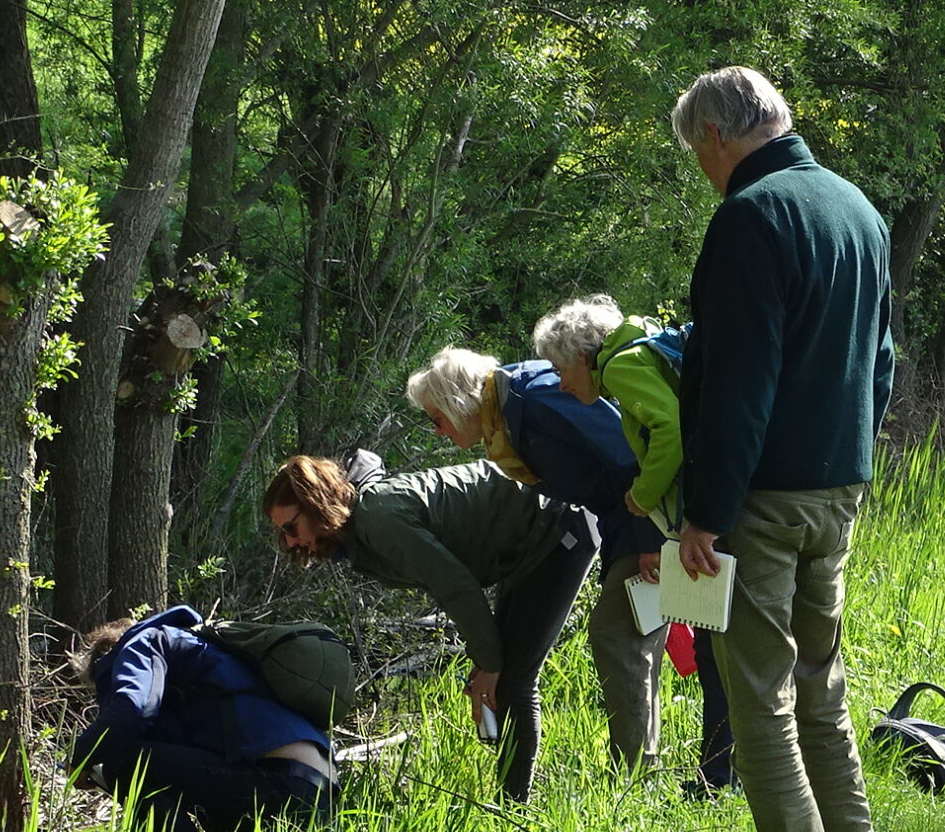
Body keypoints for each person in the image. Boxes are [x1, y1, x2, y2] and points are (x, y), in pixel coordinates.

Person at [669, 66, 895, 832]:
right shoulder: (859, 211)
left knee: (758, 694)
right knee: (821, 688)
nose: (701, 169)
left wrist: (705, 512)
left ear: (720, 137)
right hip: (838, 486)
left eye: (698, 152)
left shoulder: (751, 218)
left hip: (761, 495)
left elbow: (736, 384)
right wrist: (854, 456)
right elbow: (883, 361)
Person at [407, 345, 669, 772]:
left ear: (459, 402)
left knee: (617, 636)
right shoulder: (506, 418)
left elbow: (626, 450)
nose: (437, 431)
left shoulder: (537, 397)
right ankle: (642, 771)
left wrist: (649, 542)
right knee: (631, 640)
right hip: (626, 524)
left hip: (648, 520)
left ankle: (636, 778)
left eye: (436, 418)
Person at [266, 453, 586, 801]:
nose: (290, 543)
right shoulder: (359, 534)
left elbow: (456, 586)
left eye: (290, 529)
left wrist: (490, 664)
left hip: (556, 523)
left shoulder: (378, 519)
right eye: (282, 536)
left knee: (514, 681)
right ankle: (512, 801)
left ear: (316, 504)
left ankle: (515, 811)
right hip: (527, 547)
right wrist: (486, 660)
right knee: (502, 677)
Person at [533, 296, 735, 796]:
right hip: (716, 505)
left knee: (719, 646)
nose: (560, 382)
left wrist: (641, 497)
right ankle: (720, 775)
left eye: (561, 369)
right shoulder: (639, 352)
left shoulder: (622, 366)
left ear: (583, 354)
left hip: (711, 515)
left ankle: (721, 777)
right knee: (715, 644)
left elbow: (670, 429)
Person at [71, 607, 337, 832]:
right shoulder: (202, 649)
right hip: (320, 797)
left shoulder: (143, 641)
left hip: (280, 783)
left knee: (125, 761)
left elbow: (133, 709)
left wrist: (81, 759)